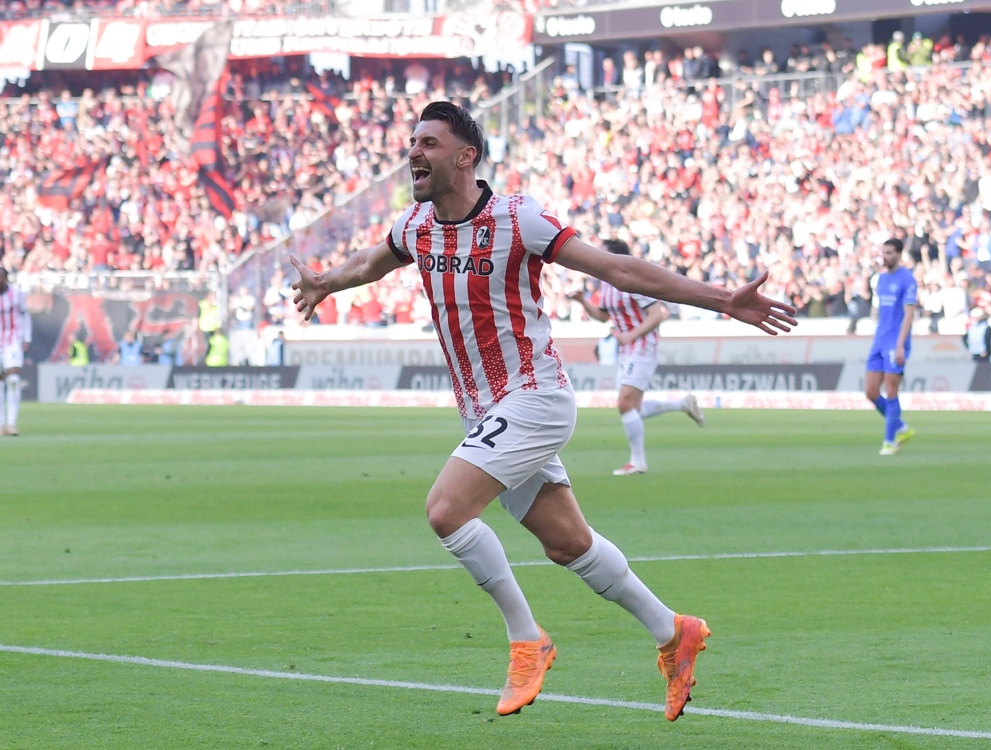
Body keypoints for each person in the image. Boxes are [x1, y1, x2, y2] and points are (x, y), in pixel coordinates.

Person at [290, 102, 796, 722]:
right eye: (413, 141)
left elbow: (617, 269)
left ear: (466, 157)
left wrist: (721, 299)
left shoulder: (516, 218)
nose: (414, 152)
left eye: (429, 143)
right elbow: (371, 263)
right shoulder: (415, 224)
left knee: (446, 510)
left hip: (534, 396)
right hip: (484, 412)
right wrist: (326, 283)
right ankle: (673, 632)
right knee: (568, 543)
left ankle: (527, 639)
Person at [569, 239, 703, 476]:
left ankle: (638, 461)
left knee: (625, 403)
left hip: (642, 346)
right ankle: (682, 404)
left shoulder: (631, 282)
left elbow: (658, 314)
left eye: (602, 253)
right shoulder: (606, 285)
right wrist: (582, 301)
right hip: (627, 349)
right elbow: (602, 316)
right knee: (633, 407)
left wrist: (631, 335)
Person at [865, 237, 917, 456]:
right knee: (871, 392)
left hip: (896, 342)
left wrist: (900, 345)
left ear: (898, 254)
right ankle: (900, 427)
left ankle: (889, 441)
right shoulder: (881, 279)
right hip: (879, 339)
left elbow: (909, 315)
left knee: (891, 389)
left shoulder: (907, 279)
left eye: (889, 253)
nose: (885, 257)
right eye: (883, 253)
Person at [0, 268, 31, 436]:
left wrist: (27, 337)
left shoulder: (17, 294)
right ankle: (1, 423)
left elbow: (25, 315)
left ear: (6, 279)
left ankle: (11, 423)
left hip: (13, 341)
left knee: (12, 379)